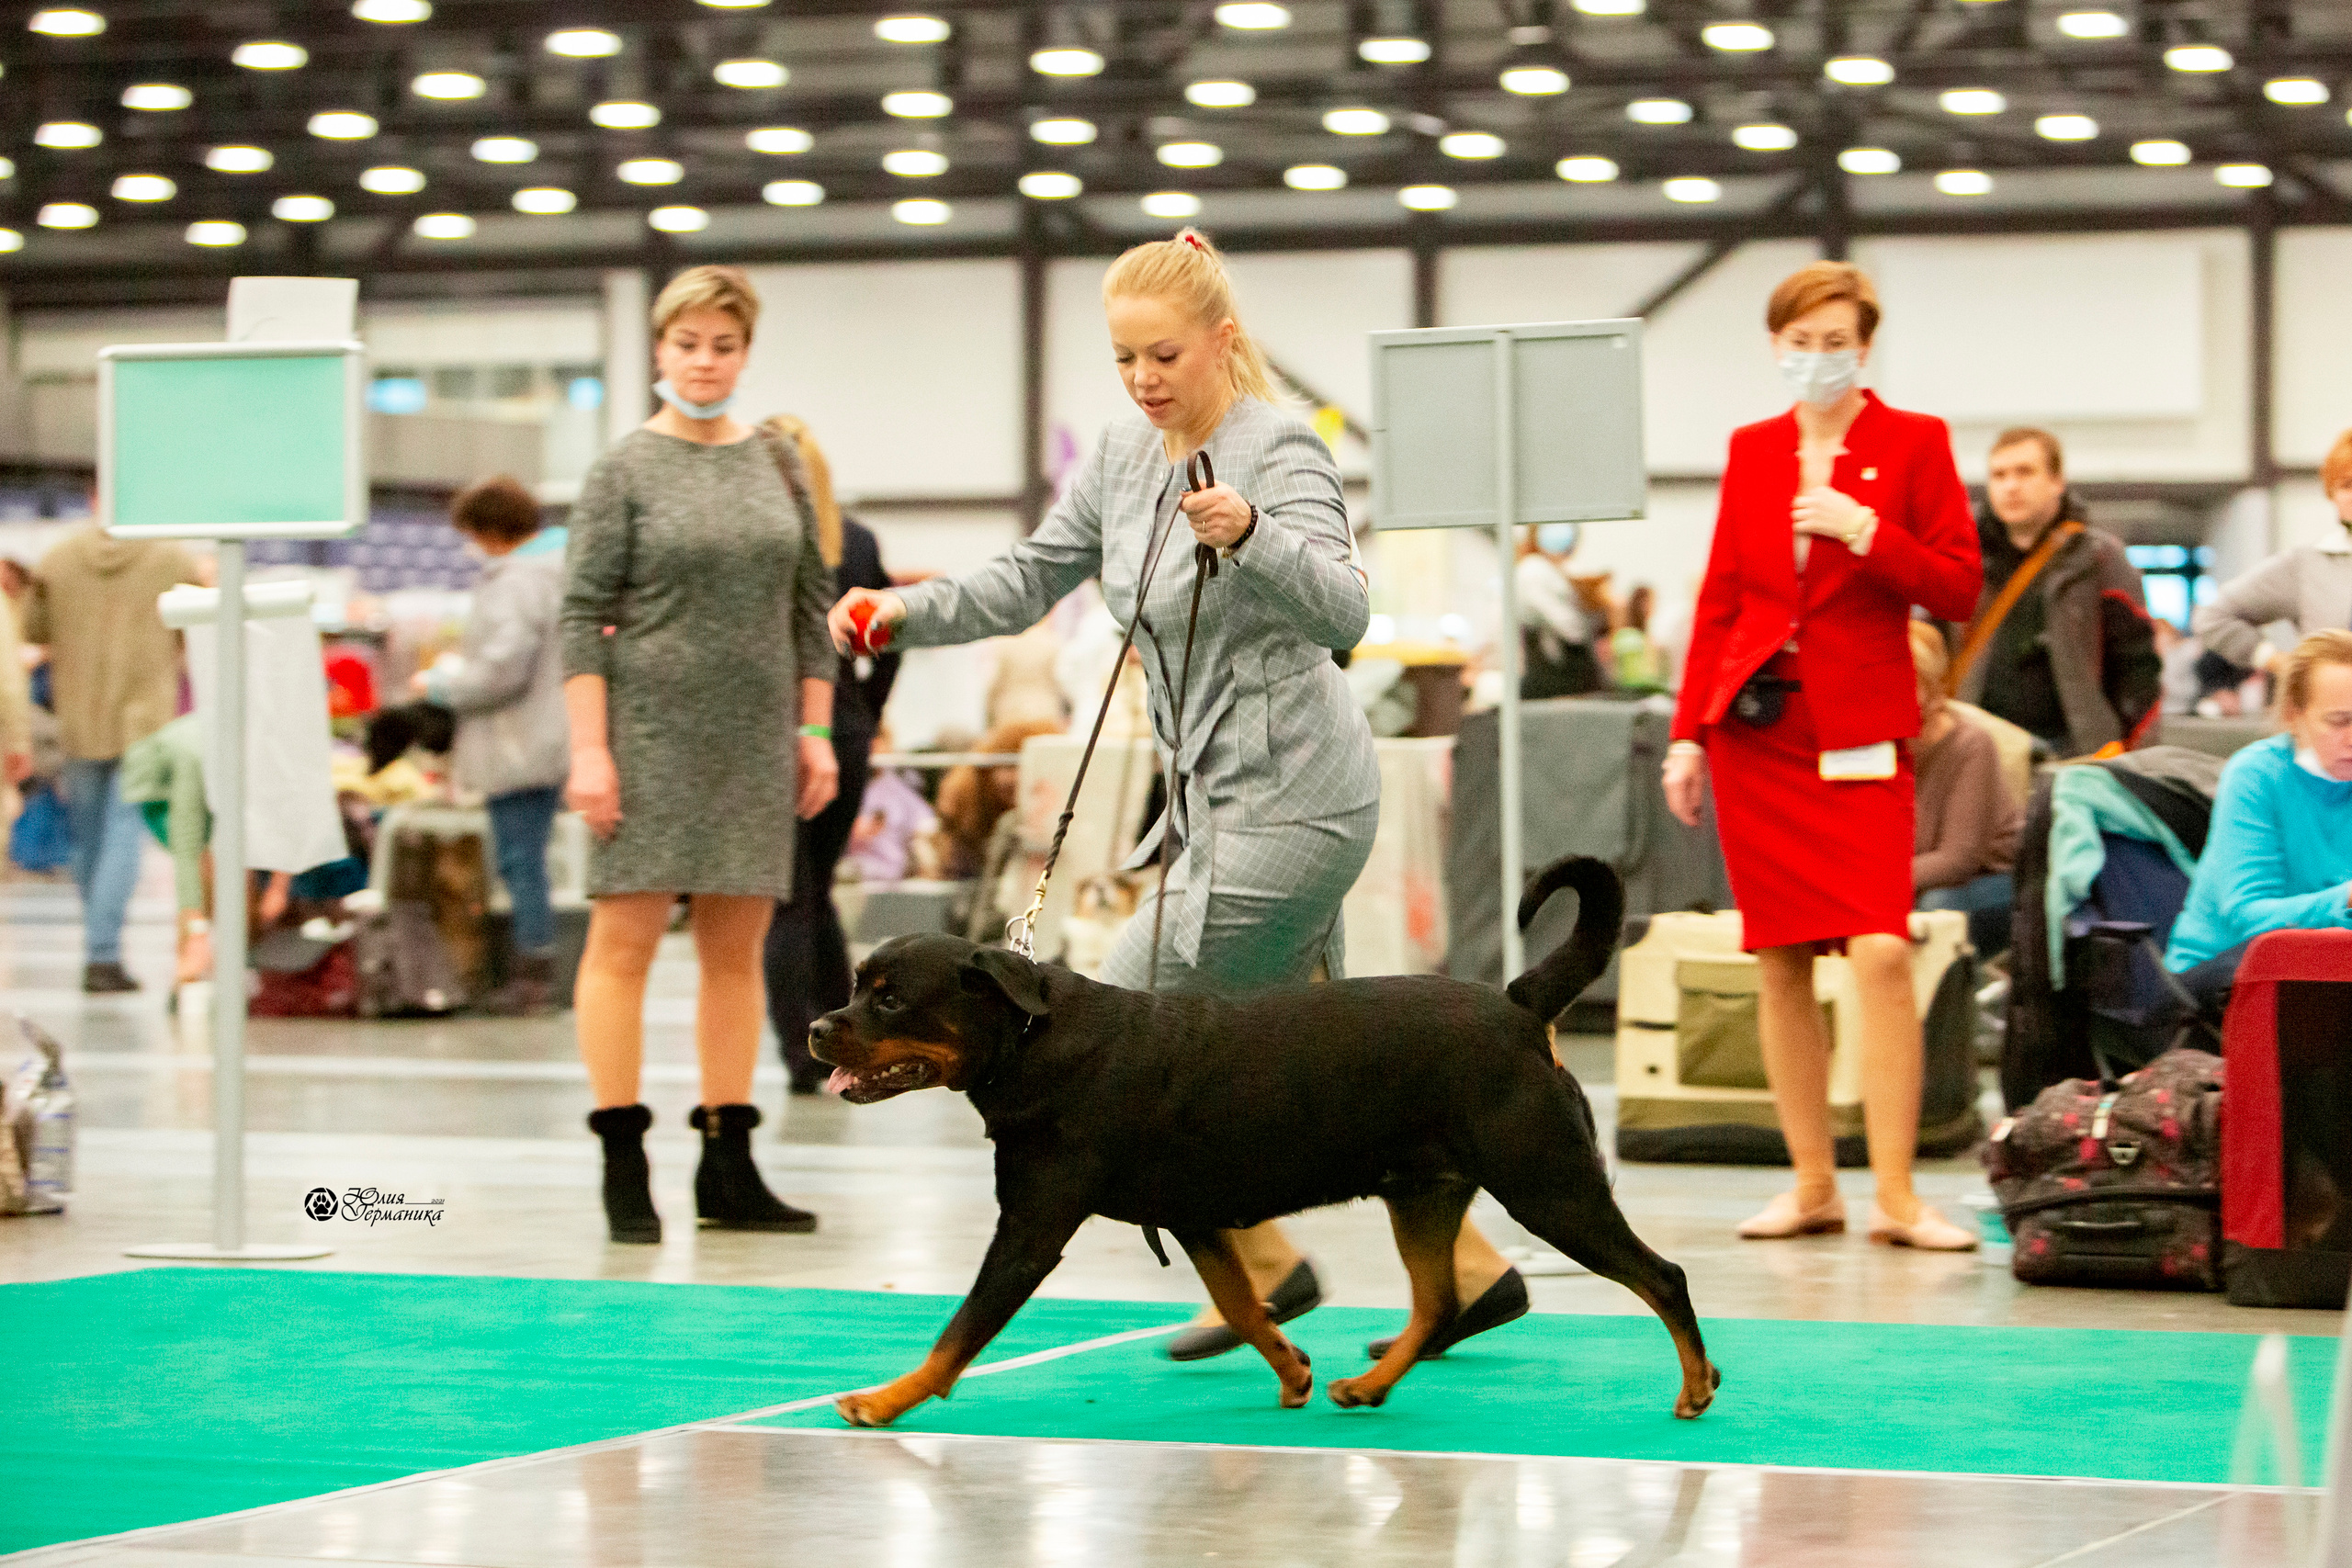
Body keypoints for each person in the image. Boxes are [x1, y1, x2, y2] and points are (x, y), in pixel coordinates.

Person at [830, 227, 1531, 1363]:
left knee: (1110, 1035)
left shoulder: (1281, 450)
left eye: (1163, 356)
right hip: (1213, 805)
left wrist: (1253, 537)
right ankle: (1464, 1271)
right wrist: (903, 610)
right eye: (1122, 360)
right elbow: (1028, 576)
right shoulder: (1119, 457)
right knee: (1311, 1066)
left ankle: (1266, 1269)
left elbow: (1346, 614)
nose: (1144, 380)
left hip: (1298, 801)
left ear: (1223, 344)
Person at [1662, 260, 1983, 1252]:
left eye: (1833, 341)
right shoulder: (1751, 449)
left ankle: (1896, 1194)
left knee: (1882, 951)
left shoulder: (1913, 442)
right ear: (1774, 347)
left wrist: (1868, 531)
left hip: (1862, 732)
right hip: (1756, 733)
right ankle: (1811, 1185)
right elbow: (1722, 599)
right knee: (1780, 961)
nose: (1815, 359)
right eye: (1797, 344)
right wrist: (1685, 734)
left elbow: (1959, 587)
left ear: (1864, 342)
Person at [561, 265, 838, 1245]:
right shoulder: (623, 468)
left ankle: (729, 1162)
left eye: (724, 345)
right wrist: (590, 753)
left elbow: (810, 606)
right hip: (644, 739)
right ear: (659, 349)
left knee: (738, 957)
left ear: (745, 353)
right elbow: (581, 614)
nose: (706, 362)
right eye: (688, 344)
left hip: (756, 740)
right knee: (623, 949)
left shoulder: (775, 463)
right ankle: (622, 1159)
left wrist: (814, 732)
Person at [759, 414, 904, 1097]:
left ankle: (800, 1053)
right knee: (815, 892)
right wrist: (867, 716)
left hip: (779, 728)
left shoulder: (765, 544)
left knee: (788, 899)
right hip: (843, 728)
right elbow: (892, 635)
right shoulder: (860, 540)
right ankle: (842, 1043)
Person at [419, 475, 571, 1016]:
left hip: (519, 741)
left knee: (520, 860)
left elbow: (503, 668)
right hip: (546, 734)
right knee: (527, 857)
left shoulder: (518, 580)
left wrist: (440, 686)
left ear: (490, 530)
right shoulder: (555, 569)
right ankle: (535, 970)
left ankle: (534, 978)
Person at [24, 523, 198, 992]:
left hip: (77, 717)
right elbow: (198, 624)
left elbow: (33, 628)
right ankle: (102, 955)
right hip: (144, 721)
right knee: (124, 837)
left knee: (87, 842)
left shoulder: (57, 559)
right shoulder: (171, 558)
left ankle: (101, 947)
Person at [1951, 428, 2160, 758]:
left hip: (2077, 753)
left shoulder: (2100, 557)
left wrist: (2127, 750)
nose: (2011, 486)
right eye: (1999, 475)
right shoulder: (1963, 556)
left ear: (2057, 482)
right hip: (1980, 749)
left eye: (2025, 472)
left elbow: (2138, 666)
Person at [2165, 630, 2352, 982]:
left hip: (2320, 966)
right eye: (2339, 721)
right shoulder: (2257, 777)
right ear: (2295, 716)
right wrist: (2346, 898)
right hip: (2224, 972)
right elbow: (2248, 917)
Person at [2194, 427, 2352, 676]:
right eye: (2347, 484)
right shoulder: (2307, 565)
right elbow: (2212, 617)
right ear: (2332, 493)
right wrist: (2279, 662)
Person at [1907, 621, 2022, 957]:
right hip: (1909, 877)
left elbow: (1957, 861)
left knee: (1935, 910)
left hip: (1993, 877)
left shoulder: (1969, 743)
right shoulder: (1869, 743)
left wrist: (1869, 882)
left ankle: (1935, 1007)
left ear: (1932, 689)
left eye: (1907, 683)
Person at [1516, 524, 1606, 697]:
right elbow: (1572, 629)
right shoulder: (1533, 569)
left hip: (1558, 675)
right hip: (1552, 675)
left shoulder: (1558, 571)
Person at [1611, 583, 1668, 694]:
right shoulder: (1628, 636)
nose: (1654, 606)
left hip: (1646, 690)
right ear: (1643, 603)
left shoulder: (1645, 636)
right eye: (1652, 601)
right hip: (1635, 692)